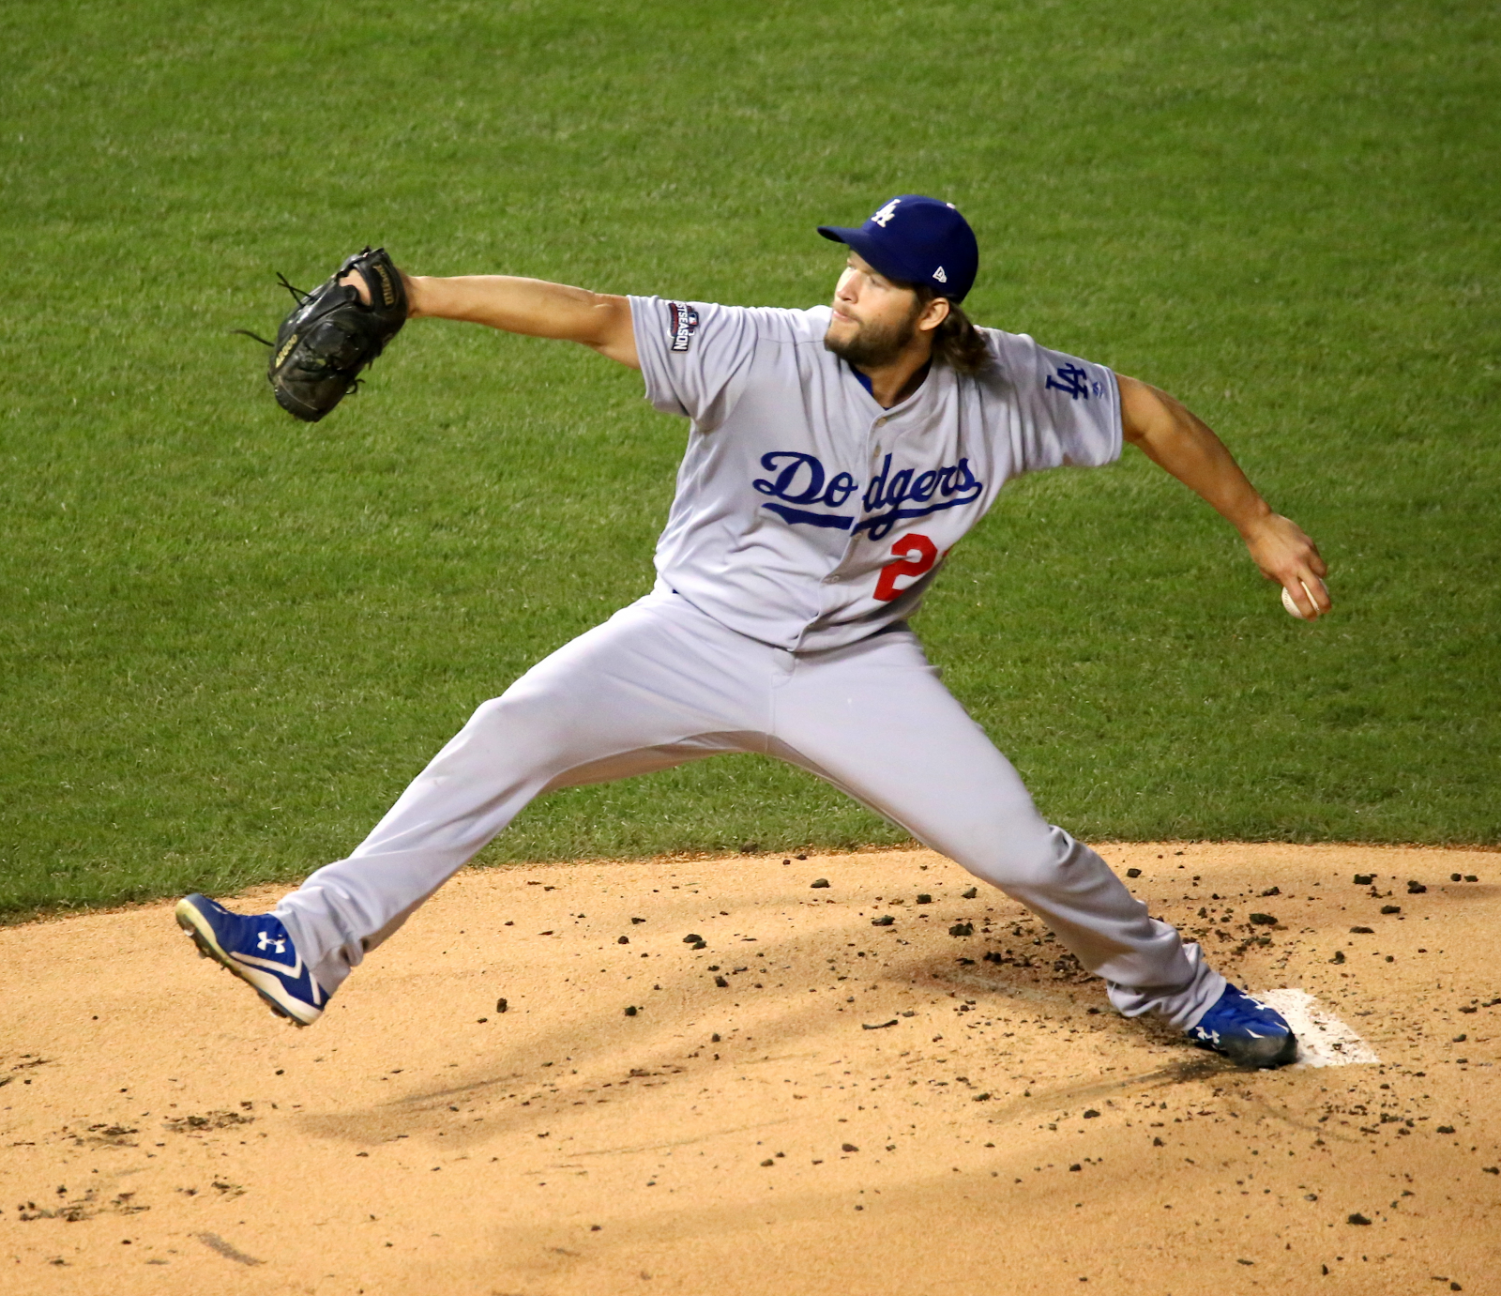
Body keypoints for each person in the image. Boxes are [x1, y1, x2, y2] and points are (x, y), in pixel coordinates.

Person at [177, 195, 1329, 1067]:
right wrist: (418, 291)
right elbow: (590, 319)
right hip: (692, 642)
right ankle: (309, 940)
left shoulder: (1006, 388)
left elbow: (1140, 409)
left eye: (874, 281)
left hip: (857, 671)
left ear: (932, 312)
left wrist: (1258, 521)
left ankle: (1172, 990)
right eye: (848, 263)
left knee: (1025, 851)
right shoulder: (759, 346)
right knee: (509, 730)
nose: (845, 287)